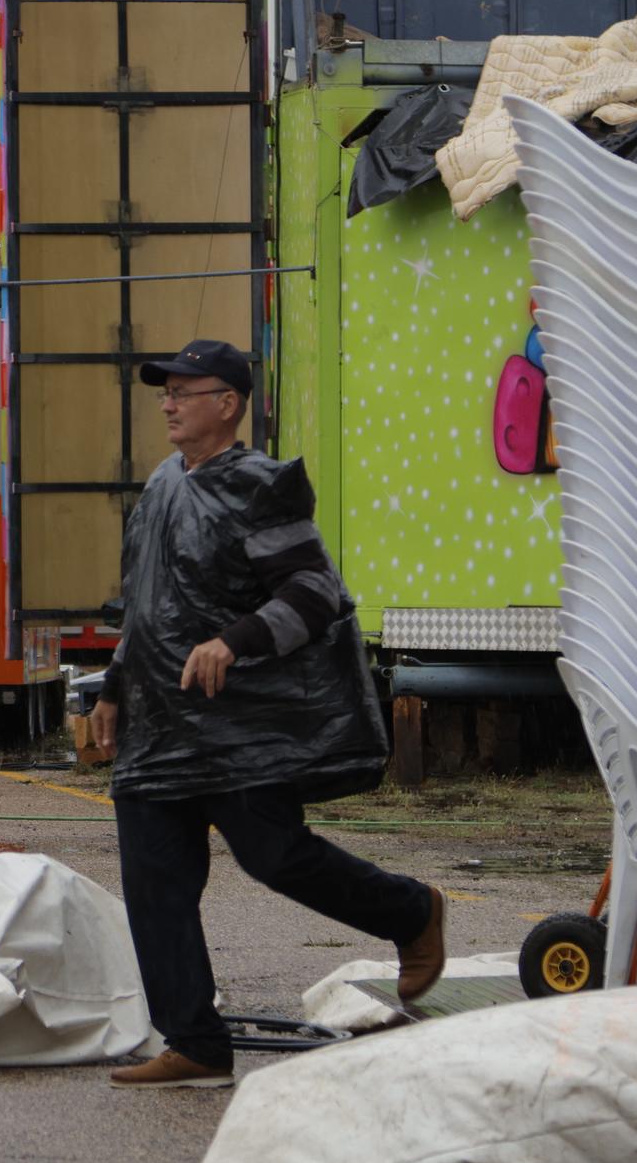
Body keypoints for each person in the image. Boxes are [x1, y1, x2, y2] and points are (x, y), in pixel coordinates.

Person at [94, 339, 445, 1090]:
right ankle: (195, 1040)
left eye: (185, 390)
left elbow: (316, 593)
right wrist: (114, 687)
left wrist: (234, 639)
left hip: (239, 726)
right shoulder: (159, 486)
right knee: (155, 881)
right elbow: (146, 603)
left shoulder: (260, 486)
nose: (168, 401)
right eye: (166, 390)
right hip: (159, 728)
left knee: (275, 855)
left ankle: (413, 913)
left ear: (228, 403)